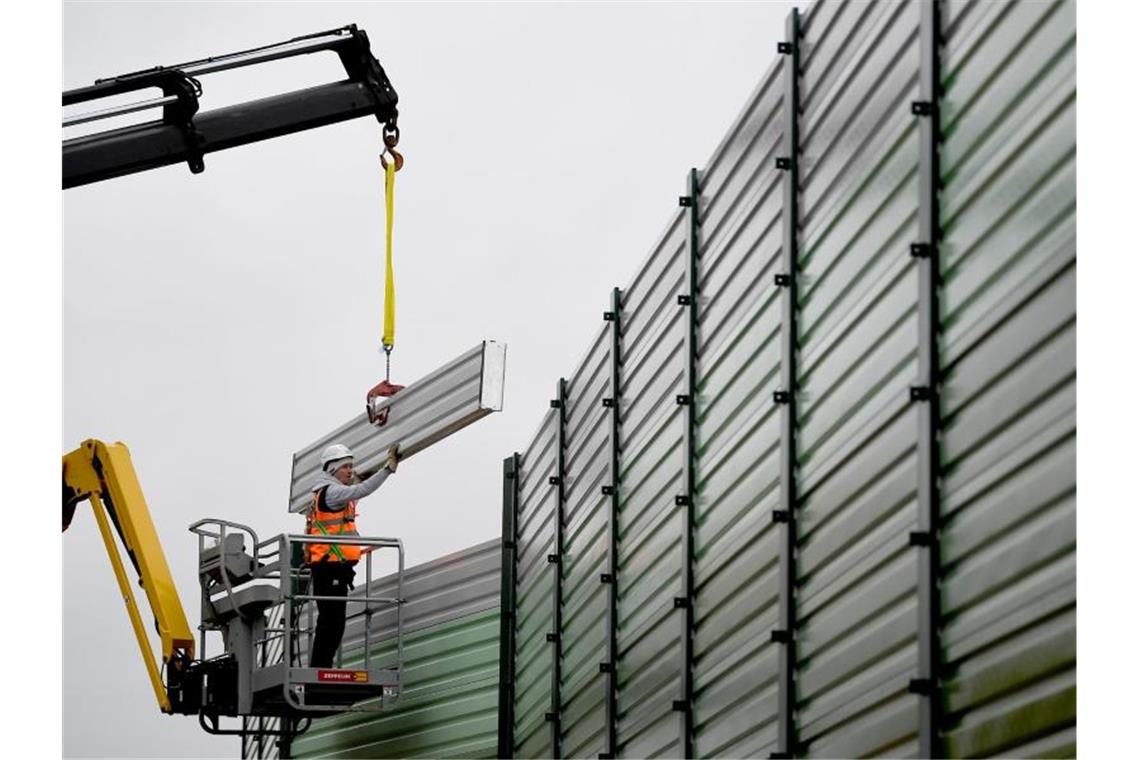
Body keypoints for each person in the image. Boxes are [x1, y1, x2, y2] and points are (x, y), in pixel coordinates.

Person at [305, 441, 399, 668]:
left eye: (351, 466)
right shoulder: (332, 492)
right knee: (332, 623)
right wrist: (387, 469)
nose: (350, 471)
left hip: (332, 567)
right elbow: (361, 490)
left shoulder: (328, 491)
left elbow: (355, 491)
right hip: (330, 567)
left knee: (332, 622)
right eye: (346, 467)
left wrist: (362, 477)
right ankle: (320, 668)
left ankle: (320, 667)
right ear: (332, 469)